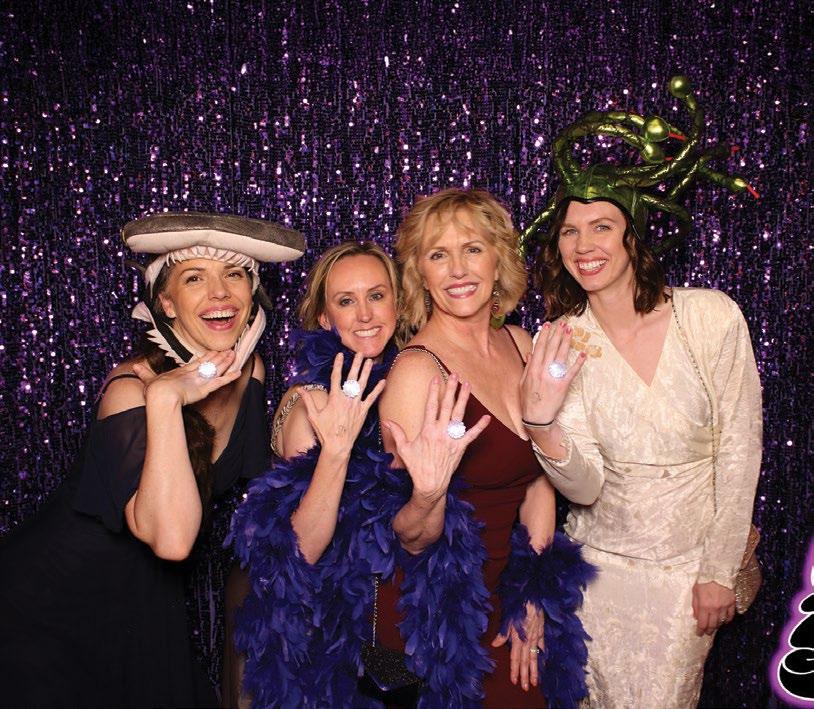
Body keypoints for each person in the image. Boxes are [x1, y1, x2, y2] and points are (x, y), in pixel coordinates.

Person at [520, 76, 763, 707]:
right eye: (569, 231)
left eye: (602, 226)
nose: (584, 246)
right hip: (596, 575)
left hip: (687, 574)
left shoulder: (708, 317)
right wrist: (541, 424)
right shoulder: (565, 338)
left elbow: (740, 450)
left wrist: (718, 570)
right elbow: (585, 488)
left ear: (634, 236)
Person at [0, 212, 305, 708]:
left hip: (142, 602)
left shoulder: (250, 372)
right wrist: (165, 397)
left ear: (252, 294)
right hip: (50, 604)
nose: (220, 293)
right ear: (166, 303)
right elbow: (173, 540)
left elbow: (256, 498)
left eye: (234, 274)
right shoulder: (131, 391)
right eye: (194, 278)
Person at [227, 241, 489, 708]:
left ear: (398, 303)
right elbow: (300, 552)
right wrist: (336, 451)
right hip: (330, 644)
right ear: (324, 318)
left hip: (404, 629)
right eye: (346, 301)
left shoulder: (410, 383)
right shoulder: (309, 405)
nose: (365, 314)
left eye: (376, 296)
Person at [376, 188, 596, 708]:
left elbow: (537, 479)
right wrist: (428, 494)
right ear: (421, 274)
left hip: (508, 591)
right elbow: (405, 538)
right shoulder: (416, 371)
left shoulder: (520, 344)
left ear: (498, 261)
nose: (457, 269)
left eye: (472, 249)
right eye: (438, 255)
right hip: (435, 618)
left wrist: (533, 591)